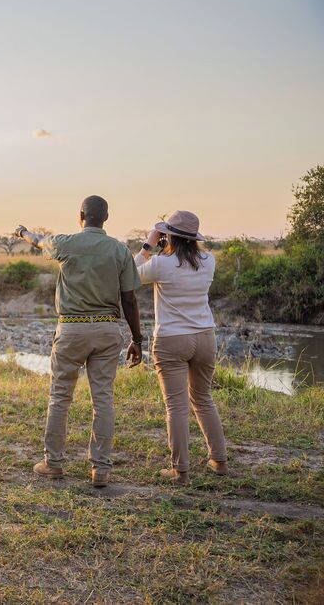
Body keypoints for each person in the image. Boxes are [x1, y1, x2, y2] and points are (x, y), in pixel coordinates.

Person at [15, 195, 143, 488]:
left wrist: (22, 233)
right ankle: (100, 469)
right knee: (103, 399)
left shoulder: (64, 243)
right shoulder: (120, 250)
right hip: (108, 330)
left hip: (71, 329)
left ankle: (53, 463)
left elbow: (37, 240)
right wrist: (137, 339)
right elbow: (129, 299)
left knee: (60, 396)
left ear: (80, 215)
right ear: (106, 217)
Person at [133, 210, 227, 484]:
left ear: (168, 235)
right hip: (204, 336)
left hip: (172, 338)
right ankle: (219, 460)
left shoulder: (162, 264)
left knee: (176, 405)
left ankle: (180, 470)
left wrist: (149, 245)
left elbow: (127, 275)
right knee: (203, 398)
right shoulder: (210, 261)